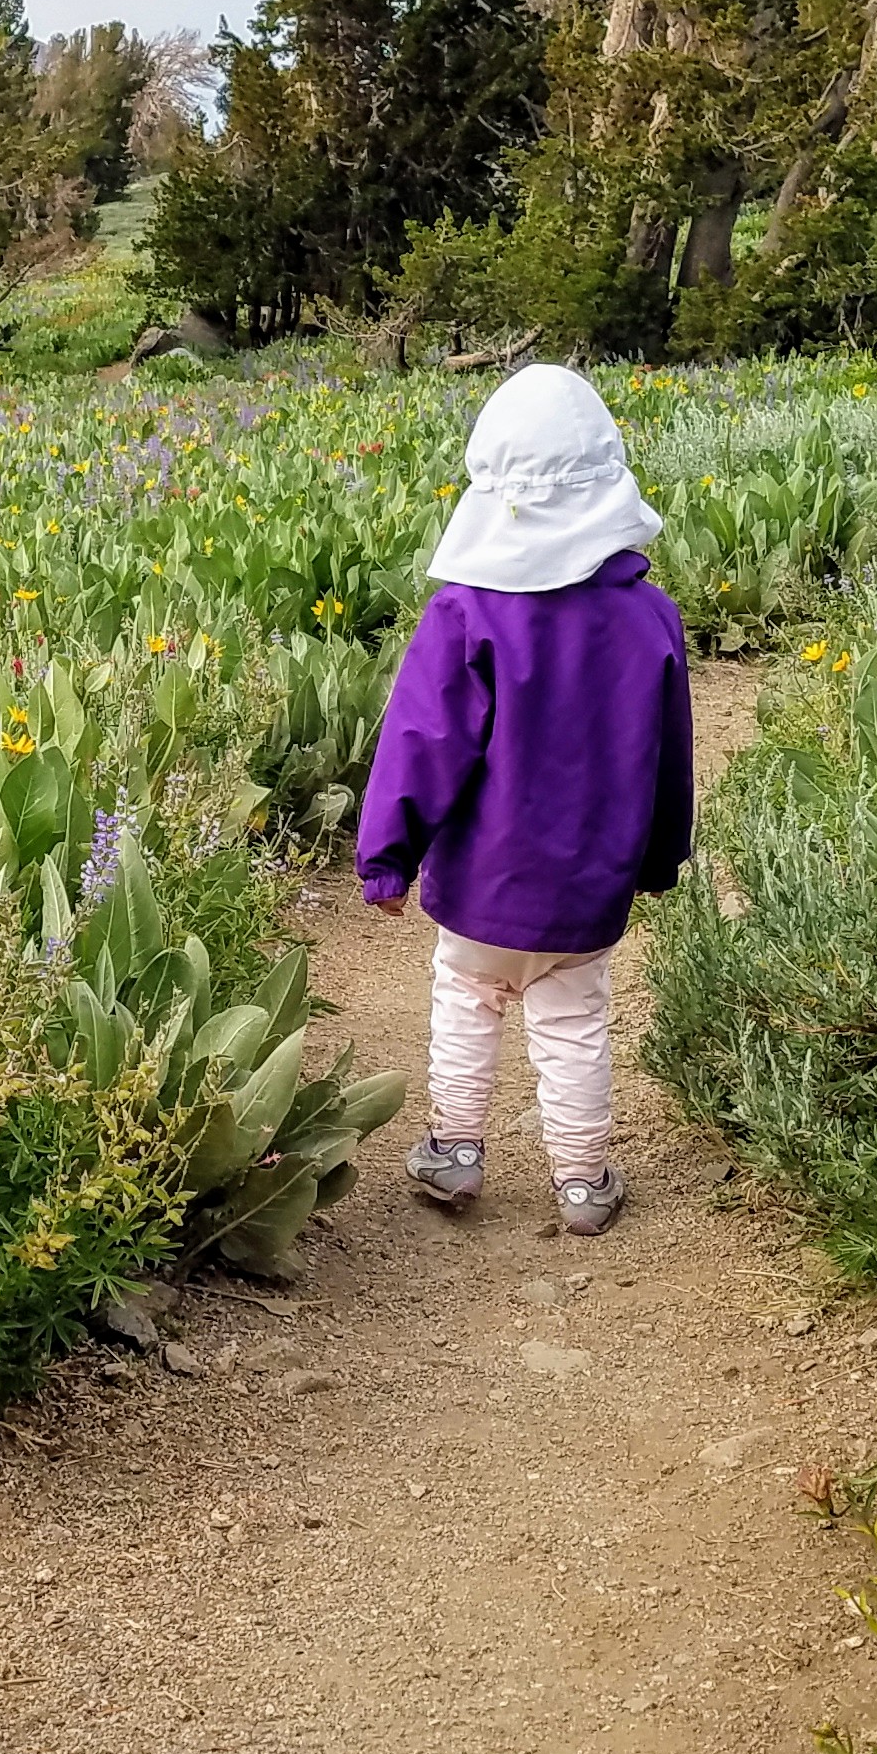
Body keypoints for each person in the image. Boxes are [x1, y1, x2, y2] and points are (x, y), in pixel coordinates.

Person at [354, 365, 693, 1237]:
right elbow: (669, 756)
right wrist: (661, 858)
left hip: (481, 882)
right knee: (575, 1021)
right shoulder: (650, 616)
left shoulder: (465, 614)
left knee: (467, 1001)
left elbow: (421, 744)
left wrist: (388, 856)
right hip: (589, 884)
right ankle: (582, 1184)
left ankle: (453, 1152)